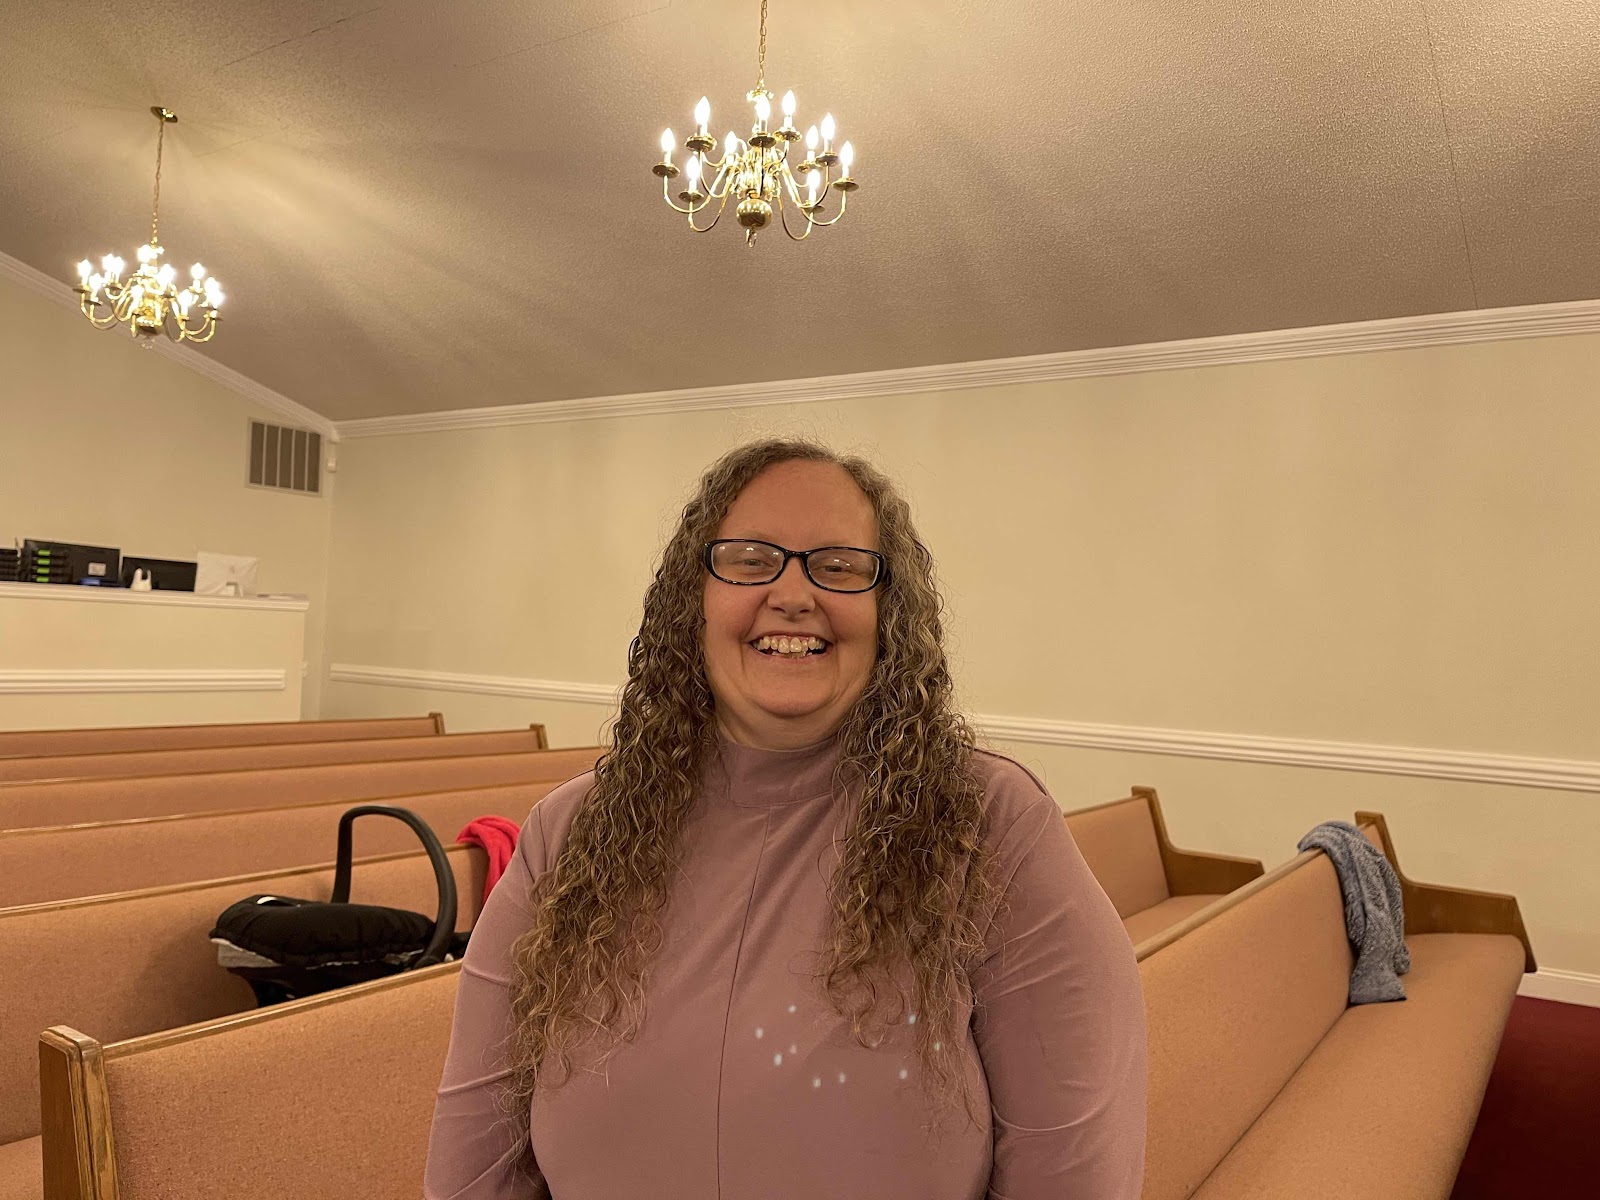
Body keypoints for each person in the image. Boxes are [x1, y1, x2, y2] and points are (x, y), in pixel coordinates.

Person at [423, 439, 1147, 1199]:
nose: (793, 593)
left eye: (839, 565)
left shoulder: (990, 825)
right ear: (692, 599)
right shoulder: (570, 832)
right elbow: (476, 1163)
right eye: (749, 559)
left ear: (889, 611)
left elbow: (1072, 1170)